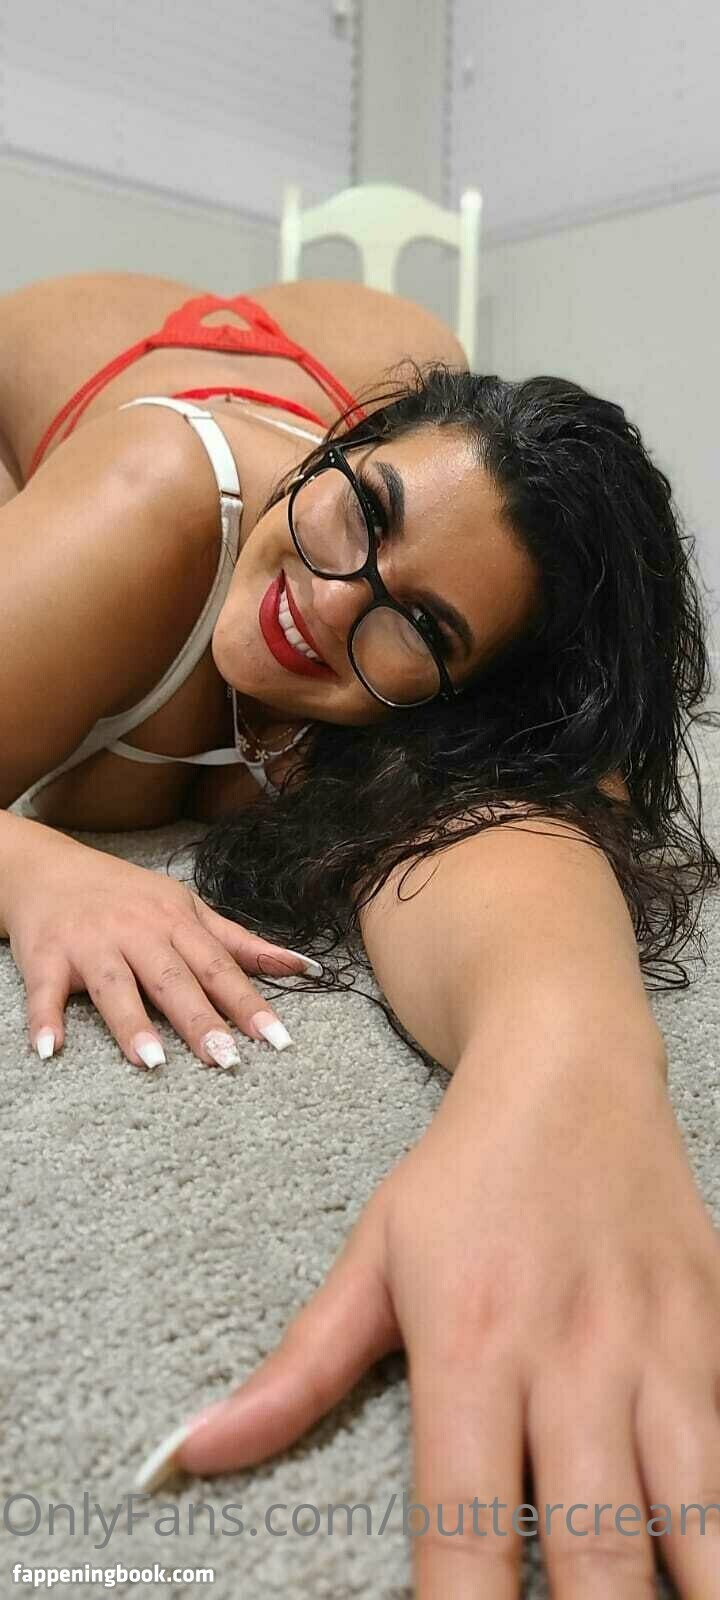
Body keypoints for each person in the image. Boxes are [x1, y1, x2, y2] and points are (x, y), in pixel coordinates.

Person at [2, 270, 719, 1597]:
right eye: (363, 511)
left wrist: (571, 1072)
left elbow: (514, 853)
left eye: (421, 626)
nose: (332, 604)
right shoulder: (151, 505)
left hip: (360, 383)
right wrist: (32, 863)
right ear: (347, 447)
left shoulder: (436, 678)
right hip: (121, 380)